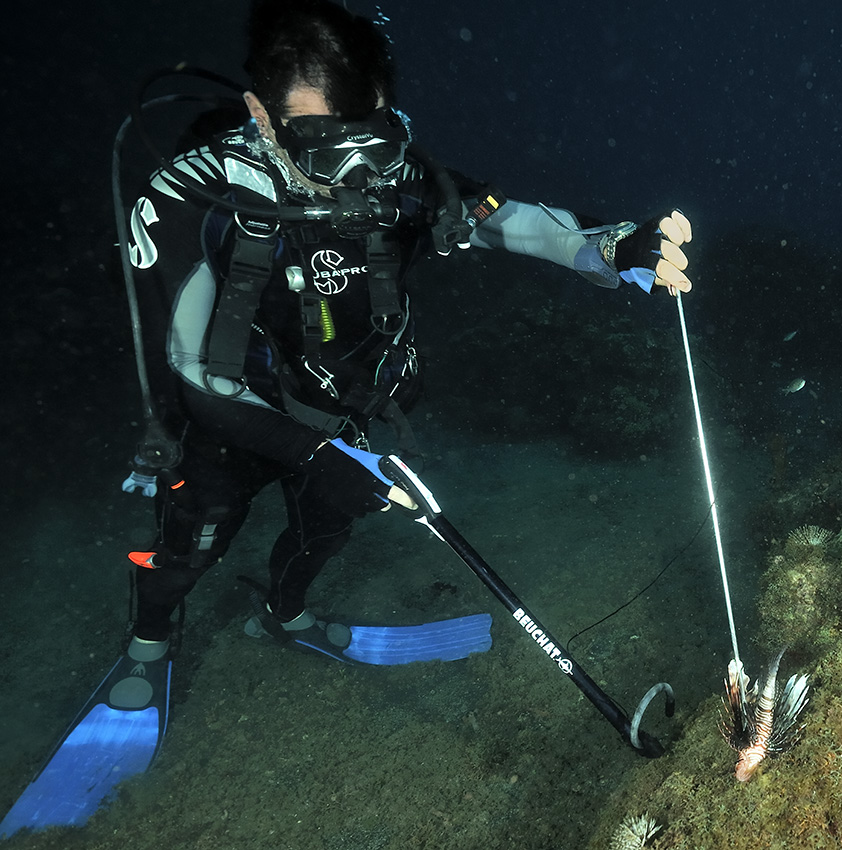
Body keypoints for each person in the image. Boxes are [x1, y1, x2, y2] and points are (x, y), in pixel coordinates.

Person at [124, 0, 694, 664]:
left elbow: (507, 221)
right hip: (225, 423)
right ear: (260, 115)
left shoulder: (404, 177)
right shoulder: (190, 195)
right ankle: (148, 641)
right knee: (191, 546)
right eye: (329, 147)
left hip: (346, 410)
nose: (364, 178)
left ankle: (285, 612)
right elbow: (194, 372)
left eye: (377, 138)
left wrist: (615, 247)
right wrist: (312, 454)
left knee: (323, 532)